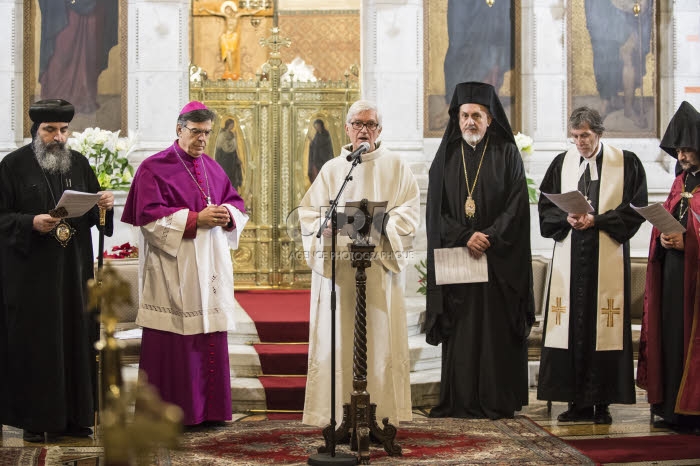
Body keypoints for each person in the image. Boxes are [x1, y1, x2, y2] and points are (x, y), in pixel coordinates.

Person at [121, 101, 248, 427]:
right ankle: (174, 414)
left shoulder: (213, 167)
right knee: (174, 342)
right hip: (173, 272)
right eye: (195, 132)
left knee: (209, 337)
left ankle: (212, 411)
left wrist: (228, 216)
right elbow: (148, 220)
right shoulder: (153, 167)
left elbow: (236, 203)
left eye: (207, 132)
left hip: (210, 268)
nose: (202, 139)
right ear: (179, 130)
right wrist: (195, 219)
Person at [298, 100, 420, 427]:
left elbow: (409, 214)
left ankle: (380, 415)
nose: (363, 129)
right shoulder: (333, 169)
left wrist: (377, 227)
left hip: (378, 272)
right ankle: (338, 414)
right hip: (340, 273)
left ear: (379, 130)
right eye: (357, 123)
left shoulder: (396, 166)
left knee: (379, 342)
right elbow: (309, 214)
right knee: (340, 342)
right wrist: (321, 228)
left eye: (370, 124)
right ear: (347, 128)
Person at [0, 99, 115, 442]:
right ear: (36, 131)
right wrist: (29, 221)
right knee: (38, 344)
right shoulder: (12, 166)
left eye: (64, 130)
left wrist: (103, 205)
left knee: (78, 339)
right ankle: (35, 419)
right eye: (51, 130)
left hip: (74, 275)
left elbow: (95, 218)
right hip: (31, 278)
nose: (59, 137)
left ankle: (78, 417)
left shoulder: (77, 163)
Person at [425, 81, 534, 419]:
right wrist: (464, 235)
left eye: (477, 115)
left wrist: (488, 235)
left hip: (497, 263)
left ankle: (496, 400)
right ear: (456, 118)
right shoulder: (445, 157)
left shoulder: (506, 152)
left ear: (489, 119)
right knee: (463, 331)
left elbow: (517, 205)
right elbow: (435, 211)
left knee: (495, 333)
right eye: (464, 115)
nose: (470, 122)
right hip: (459, 262)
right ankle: (460, 400)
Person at [537, 106, 647, 424]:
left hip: (605, 256)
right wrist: (567, 217)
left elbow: (636, 207)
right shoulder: (562, 163)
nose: (580, 143)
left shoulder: (625, 162)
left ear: (598, 133)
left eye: (585, 136)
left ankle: (602, 404)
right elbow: (546, 205)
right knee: (570, 327)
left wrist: (597, 220)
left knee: (603, 326)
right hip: (571, 262)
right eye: (574, 137)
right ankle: (576, 403)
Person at [638, 101, 700, 434]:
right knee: (673, 338)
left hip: (696, 278)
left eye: (687, 150)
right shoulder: (680, 183)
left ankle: (694, 413)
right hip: (673, 274)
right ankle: (671, 408)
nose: (682, 157)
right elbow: (669, 217)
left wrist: (689, 242)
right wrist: (662, 238)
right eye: (678, 151)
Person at [584, 0, 652, 128]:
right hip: (603, 10)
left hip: (627, 14)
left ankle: (628, 107)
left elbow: (642, 6)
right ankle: (607, 100)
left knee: (628, 55)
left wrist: (637, 6)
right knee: (603, 53)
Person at [215, 118, 243, 190]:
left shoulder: (232, 134)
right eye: (231, 125)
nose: (232, 126)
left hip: (232, 158)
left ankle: (233, 191)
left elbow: (234, 149)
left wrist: (237, 158)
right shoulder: (222, 135)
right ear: (228, 125)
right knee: (225, 175)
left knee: (233, 175)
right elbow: (219, 148)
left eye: (233, 125)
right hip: (224, 158)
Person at [307, 119, 334, 184]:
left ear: (321, 125)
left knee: (324, 176)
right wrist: (312, 143)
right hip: (316, 160)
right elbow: (315, 147)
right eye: (315, 127)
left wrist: (312, 142)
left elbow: (323, 145)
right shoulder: (317, 135)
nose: (317, 128)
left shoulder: (326, 134)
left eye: (318, 126)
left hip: (324, 159)